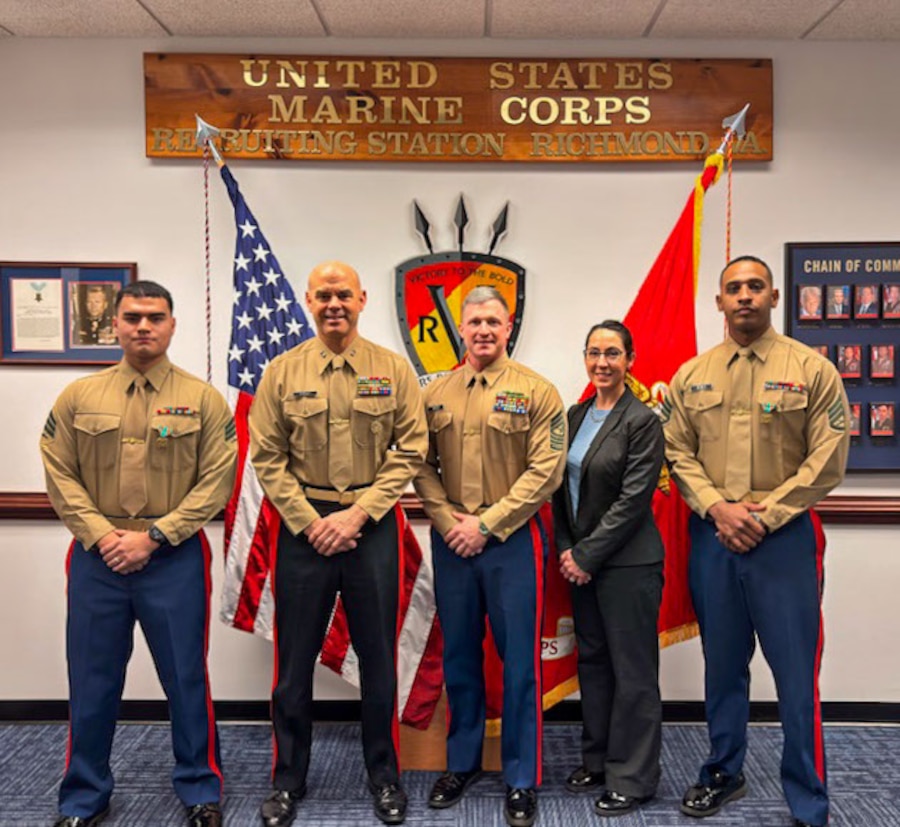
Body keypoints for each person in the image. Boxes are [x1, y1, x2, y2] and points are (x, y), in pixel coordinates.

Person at [40, 281, 237, 827]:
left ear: (173, 325)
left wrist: (154, 537)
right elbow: (60, 473)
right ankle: (84, 796)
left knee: (185, 677)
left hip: (172, 558)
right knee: (92, 679)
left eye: (155, 316)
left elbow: (216, 481)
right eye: (132, 317)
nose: (143, 326)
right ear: (115, 325)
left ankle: (200, 790)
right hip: (96, 559)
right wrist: (104, 536)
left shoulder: (203, 399)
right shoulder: (79, 397)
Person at [663, 256, 850, 827]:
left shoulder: (813, 369)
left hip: (785, 541)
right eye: (732, 288)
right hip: (715, 538)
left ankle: (807, 794)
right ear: (718, 302)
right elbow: (676, 453)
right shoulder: (691, 375)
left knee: (795, 673)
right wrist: (718, 508)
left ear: (772, 295)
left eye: (753, 286)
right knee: (722, 666)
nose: (743, 296)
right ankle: (724, 771)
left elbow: (829, 459)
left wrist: (765, 516)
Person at [249, 261, 427, 827]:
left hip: (370, 527)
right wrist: (310, 520)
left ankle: (384, 776)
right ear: (308, 299)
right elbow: (267, 459)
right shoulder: (281, 371)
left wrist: (357, 515)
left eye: (343, 294)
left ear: (362, 299)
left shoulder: (392, 369)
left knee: (379, 660)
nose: (334, 304)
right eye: (324, 294)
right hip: (304, 530)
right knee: (293, 665)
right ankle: (287, 780)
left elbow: (410, 448)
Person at [414, 285, 566, 827]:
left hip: (511, 543)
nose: (482, 330)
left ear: (509, 326)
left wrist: (489, 523)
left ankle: (521, 778)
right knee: (459, 655)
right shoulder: (434, 394)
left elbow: (545, 470)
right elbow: (419, 464)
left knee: (520, 662)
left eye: (492, 322)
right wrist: (448, 519)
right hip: (453, 539)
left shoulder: (537, 391)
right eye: (473, 321)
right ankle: (462, 763)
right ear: (461, 326)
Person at [551, 320, 665, 818]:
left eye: (613, 353)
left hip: (628, 564)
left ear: (630, 361)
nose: (603, 362)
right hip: (581, 564)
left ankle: (633, 777)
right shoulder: (573, 416)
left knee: (633, 672)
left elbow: (633, 500)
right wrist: (566, 550)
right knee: (594, 665)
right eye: (594, 352)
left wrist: (586, 555)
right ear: (585, 358)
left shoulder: (642, 421)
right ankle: (597, 760)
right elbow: (556, 490)